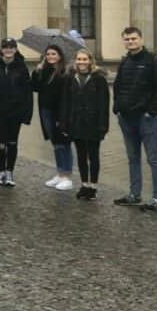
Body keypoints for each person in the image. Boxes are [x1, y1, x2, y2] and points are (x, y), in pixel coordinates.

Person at [111, 26, 157, 213]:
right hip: (126, 117)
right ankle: (134, 194)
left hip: (145, 118)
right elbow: (118, 86)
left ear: (141, 39)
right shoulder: (125, 62)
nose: (130, 42)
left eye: (134, 39)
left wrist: (151, 112)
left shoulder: (155, 62)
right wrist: (117, 108)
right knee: (133, 158)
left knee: (153, 159)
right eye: (127, 39)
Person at [60, 49, 110, 201]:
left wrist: (103, 125)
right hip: (76, 122)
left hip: (93, 123)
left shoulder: (98, 79)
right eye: (79, 59)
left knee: (93, 156)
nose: (81, 62)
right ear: (75, 61)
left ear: (90, 61)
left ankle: (93, 186)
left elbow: (104, 104)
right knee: (81, 155)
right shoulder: (70, 78)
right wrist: (65, 123)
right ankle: (84, 184)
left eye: (84, 59)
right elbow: (65, 102)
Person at [0, 37, 33, 187]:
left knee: (12, 142)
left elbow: (27, 92)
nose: (8, 49)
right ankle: (1, 171)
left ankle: (10, 171)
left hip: (15, 112)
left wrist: (26, 113)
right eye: (6, 47)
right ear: (2, 49)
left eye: (11, 47)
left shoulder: (21, 67)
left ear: (15, 49)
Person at [32, 45, 73, 191]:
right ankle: (60, 173)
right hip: (46, 111)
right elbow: (35, 87)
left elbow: (65, 97)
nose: (50, 56)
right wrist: (37, 71)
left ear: (60, 56)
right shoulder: (45, 70)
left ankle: (67, 176)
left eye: (53, 54)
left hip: (59, 113)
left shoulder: (65, 72)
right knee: (55, 143)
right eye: (48, 54)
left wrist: (62, 117)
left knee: (63, 143)